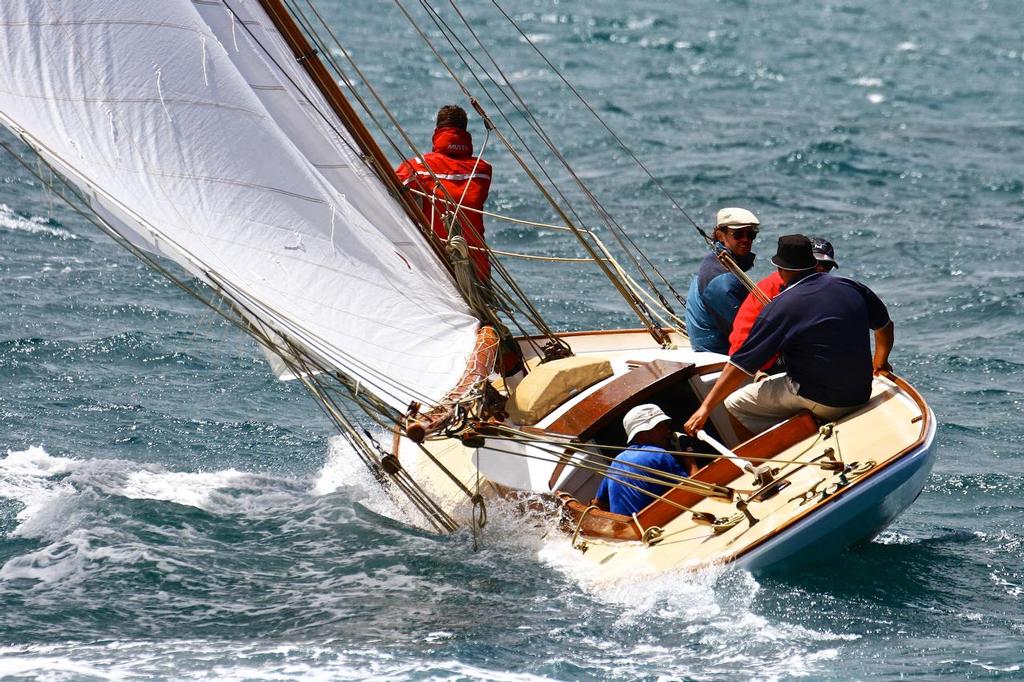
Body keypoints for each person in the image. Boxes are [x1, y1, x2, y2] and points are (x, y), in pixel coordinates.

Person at [684, 234, 894, 439]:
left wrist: (705, 408)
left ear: (780, 270)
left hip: (823, 399)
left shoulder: (780, 307)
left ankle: (763, 459)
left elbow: (740, 366)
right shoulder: (851, 286)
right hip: (861, 392)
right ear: (815, 264)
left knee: (734, 404)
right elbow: (884, 327)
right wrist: (880, 363)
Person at [395, 105, 492, 280]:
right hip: (477, 268)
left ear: (437, 132)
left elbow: (390, 187)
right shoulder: (483, 171)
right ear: (465, 132)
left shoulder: (418, 167)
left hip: (437, 266)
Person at [727, 236, 841, 357]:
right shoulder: (775, 288)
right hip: (755, 358)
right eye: (816, 263)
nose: (821, 269)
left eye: (827, 266)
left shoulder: (814, 290)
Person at [685, 207, 760, 354]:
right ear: (720, 235)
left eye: (750, 234)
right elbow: (744, 330)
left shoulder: (716, 261)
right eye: (738, 234)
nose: (746, 239)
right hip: (718, 352)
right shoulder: (723, 281)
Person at [594, 404, 690, 516]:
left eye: (665, 425)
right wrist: (688, 456)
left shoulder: (616, 462)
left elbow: (599, 505)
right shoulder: (659, 455)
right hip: (655, 529)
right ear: (640, 435)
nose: (667, 430)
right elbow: (696, 492)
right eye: (659, 426)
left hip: (629, 530)